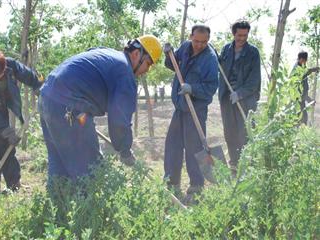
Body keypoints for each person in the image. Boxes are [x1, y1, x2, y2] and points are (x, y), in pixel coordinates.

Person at [39, 35, 162, 184]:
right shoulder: (125, 73)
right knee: (91, 169)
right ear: (136, 54)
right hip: (71, 106)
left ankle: (59, 204)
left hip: (47, 96)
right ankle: (92, 206)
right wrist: (125, 150)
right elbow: (119, 120)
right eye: (148, 64)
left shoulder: (107, 54)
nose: (147, 70)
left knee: (58, 162)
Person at [163, 25, 218, 200]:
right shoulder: (186, 47)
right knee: (173, 145)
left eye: (204, 42)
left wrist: (192, 88)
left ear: (208, 40)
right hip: (180, 106)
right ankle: (172, 183)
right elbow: (173, 65)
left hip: (196, 109)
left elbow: (211, 87)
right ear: (191, 36)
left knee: (194, 149)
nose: (199, 45)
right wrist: (168, 53)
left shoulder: (210, 59)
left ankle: (196, 186)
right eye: (196, 41)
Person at [0, 51, 42, 193]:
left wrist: (40, 85)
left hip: (0, 109)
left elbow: (30, 75)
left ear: (3, 68)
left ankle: (14, 185)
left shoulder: (11, 66)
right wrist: (6, 132)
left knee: (7, 148)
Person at [218, 20, 261, 175]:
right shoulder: (226, 50)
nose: (242, 38)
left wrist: (240, 93)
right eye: (239, 35)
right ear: (233, 34)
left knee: (245, 133)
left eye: (245, 35)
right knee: (230, 132)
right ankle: (234, 165)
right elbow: (220, 70)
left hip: (246, 99)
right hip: (227, 99)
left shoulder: (253, 53)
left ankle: (247, 166)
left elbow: (254, 80)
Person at [290, 51, 319, 125]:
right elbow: (299, 90)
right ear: (301, 59)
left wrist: (309, 99)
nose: (305, 62)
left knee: (303, 118)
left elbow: (306, 72)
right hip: (297, 100)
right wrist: (309, 99)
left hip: (300, 100)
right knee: (301, 118)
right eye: (305, 60)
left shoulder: (301, 67)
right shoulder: (296, 70)